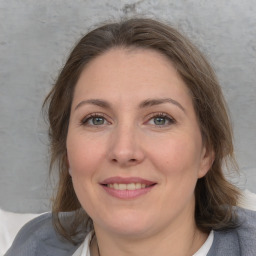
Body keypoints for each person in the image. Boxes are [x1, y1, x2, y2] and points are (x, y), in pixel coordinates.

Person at [5, 18, 256, 256]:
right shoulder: (34, 244)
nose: (124, 151)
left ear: (206, 152)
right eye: (96, 119)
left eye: (159, 119)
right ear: (67, 152)